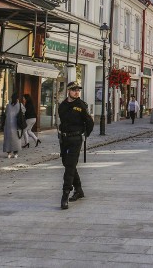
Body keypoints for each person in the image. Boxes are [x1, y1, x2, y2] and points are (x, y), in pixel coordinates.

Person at [56, 81, 94, 210]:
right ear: (68, 91)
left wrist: (85, 134)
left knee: (70, 166)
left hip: (76, 139)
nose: (77, 92)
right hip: (64, 139)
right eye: (74, 90)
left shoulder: (81, 105)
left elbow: (89, 122)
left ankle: (65, 195)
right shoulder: (63, 105)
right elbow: (62, 121)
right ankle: (79, 190)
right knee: (67, 164)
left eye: (78, 90)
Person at [2, 93, 24, 158]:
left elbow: (6, 113)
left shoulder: (8, 106)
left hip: (8, 124)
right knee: (16, 138)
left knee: (8, 138)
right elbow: (24, 111)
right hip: (16, 125)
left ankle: (9, 153)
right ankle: (15, 153)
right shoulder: (20, 105)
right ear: (17, 99)